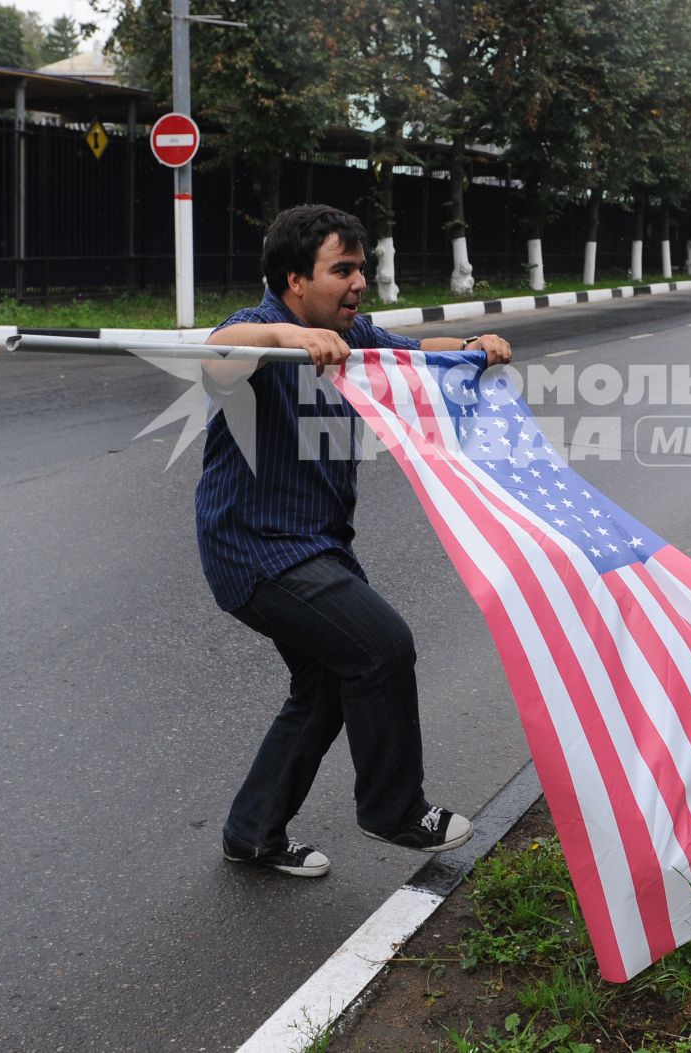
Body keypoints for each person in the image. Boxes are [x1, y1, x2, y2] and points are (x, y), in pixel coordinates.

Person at [199, 204, 510, 878]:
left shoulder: (354, 331)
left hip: (316, 543)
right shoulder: (252, 333)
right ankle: (394, 807)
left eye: (361, 269)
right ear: (293, 280)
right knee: (380, 646)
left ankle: (251, 833)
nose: (359, 282)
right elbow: (217, 360)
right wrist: (285, 337)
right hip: (257, 548)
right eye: (342, 269)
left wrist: (473, 349)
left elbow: (414, 354)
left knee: (325, 687)